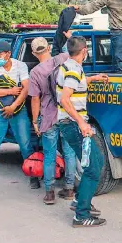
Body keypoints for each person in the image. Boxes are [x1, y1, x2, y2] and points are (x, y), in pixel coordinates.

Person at [0, 40, 39, 195]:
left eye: (0, 54)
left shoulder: (20, 66)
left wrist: (13, 106)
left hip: (18, 110)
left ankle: (33, 175)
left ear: (8, 54)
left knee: (25, 144)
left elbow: (26, 88)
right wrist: (10, 91)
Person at [56, 36, 109, 228]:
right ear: (84, 51)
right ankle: (81, 215)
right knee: (94, 167)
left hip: (70, 124)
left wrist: (92, 79)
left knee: (94, 163)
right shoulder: (73, 69)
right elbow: (65, 99)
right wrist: (81, 123)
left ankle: (79, 201)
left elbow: (73, 83)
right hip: (73, 124)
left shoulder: (68, 66)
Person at [28, 35, 79, 206]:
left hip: (48, 116)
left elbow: (35, 99)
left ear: (34, 53)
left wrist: (35, 121)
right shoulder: (63, 58)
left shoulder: (34, 72)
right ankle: (70, 189)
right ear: (48, 48)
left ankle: (49, 192)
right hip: (66, 112)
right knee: (69, 152)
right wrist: (70, 36)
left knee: (49, 155)